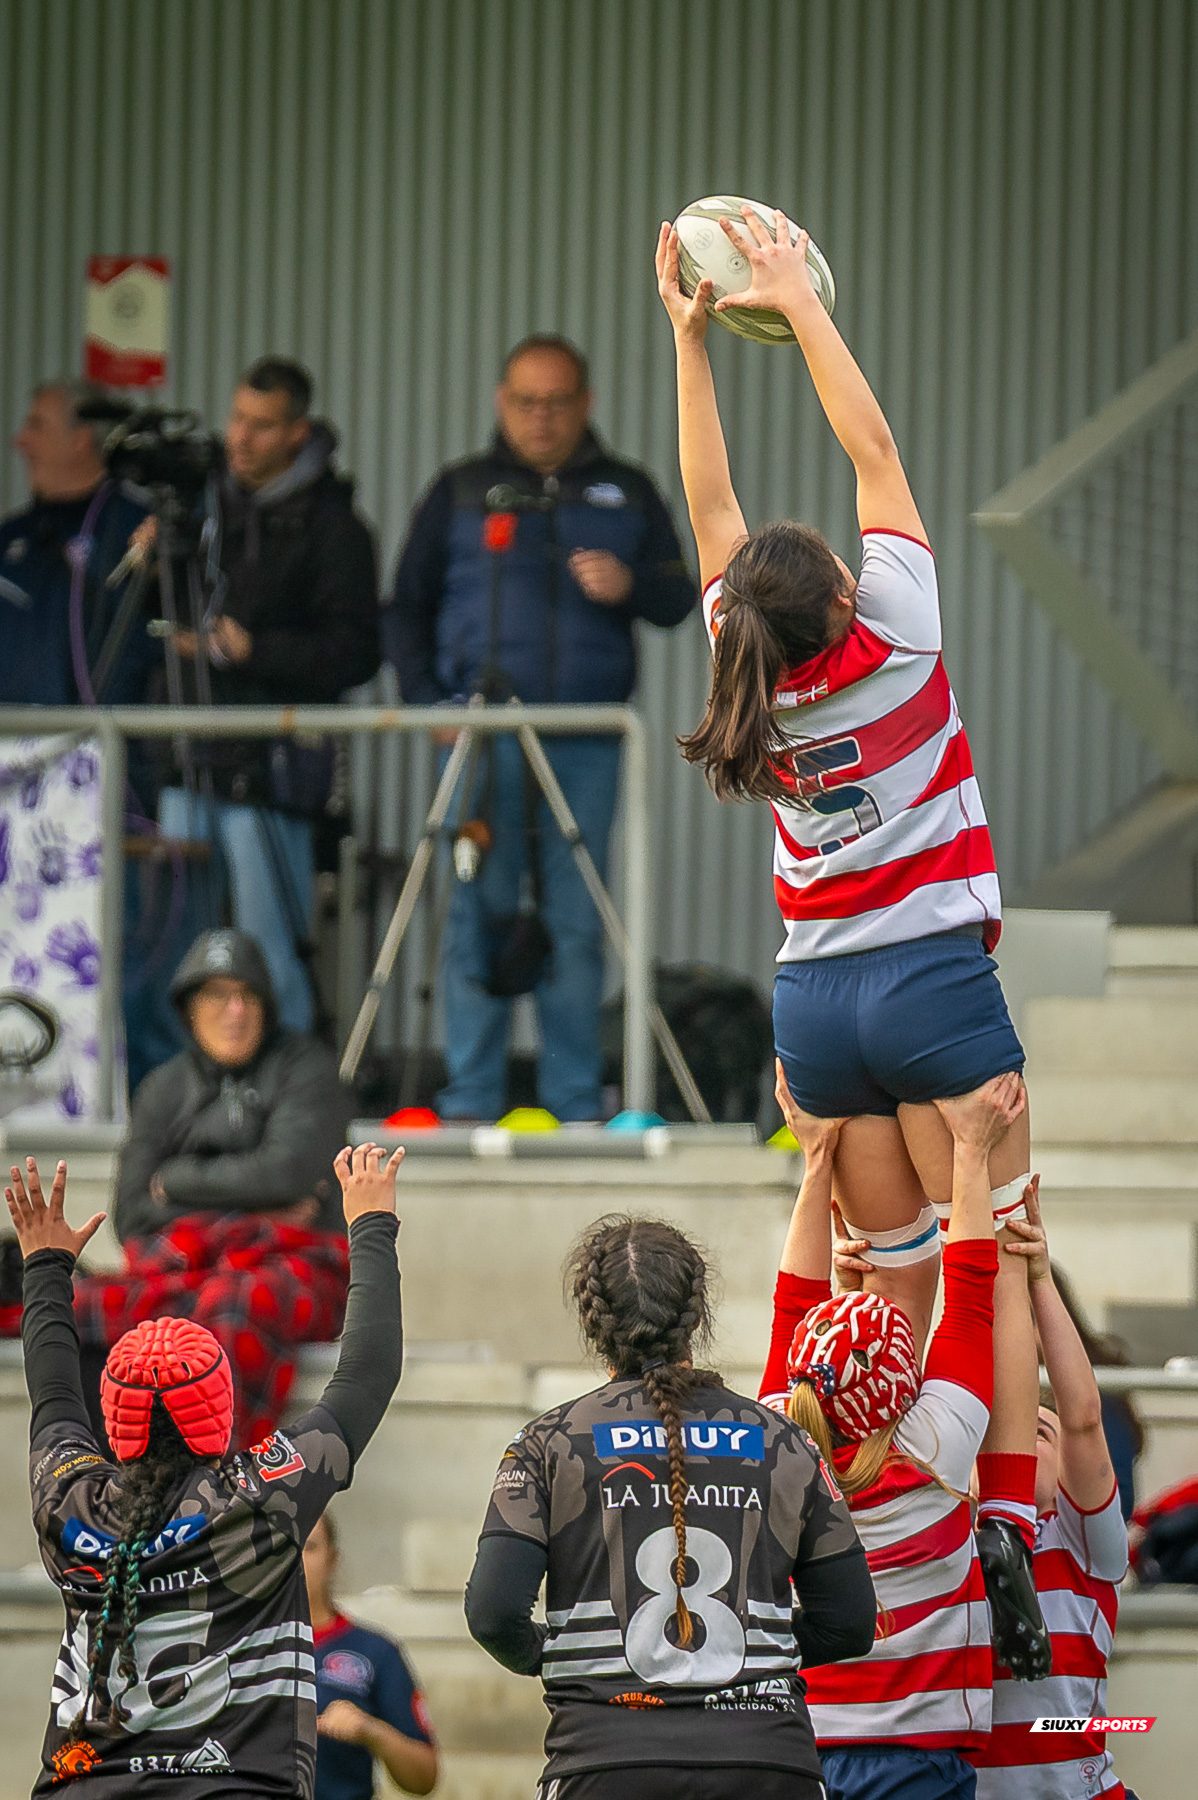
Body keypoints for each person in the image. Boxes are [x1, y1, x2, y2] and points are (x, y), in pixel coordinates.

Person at [655, 211, 1044, 1603]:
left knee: (887, 1295)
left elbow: (708, 506)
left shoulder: (741, 673)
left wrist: (691, 341)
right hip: (932, 984)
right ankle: (1003, 1526)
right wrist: (795, 303)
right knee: (999, 1266)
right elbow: (871, 449)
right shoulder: (896, 632)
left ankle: (840, 1537)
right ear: (839, 588)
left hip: (815, 1006)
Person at [8, 1138, 403, 1796]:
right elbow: (368, 1373)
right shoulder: (262, 1496)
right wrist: (371, 1224)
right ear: (221, 1414)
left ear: (116, 1424)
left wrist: (45, 1267)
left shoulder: (69, 1501)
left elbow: (52, 1393)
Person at [385, 334, 697, 1123]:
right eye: (526, 401)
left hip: (587, 740)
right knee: (474, 913)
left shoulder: (626, 490)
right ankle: (470, 1100)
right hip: (479, 739)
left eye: (557, 402)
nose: (541, 417)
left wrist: (629, 585)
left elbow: (680, 595)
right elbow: (404, 608)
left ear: (586, 404)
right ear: (501, 402)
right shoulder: (461, 490)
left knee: (577, 920)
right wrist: (429, 705)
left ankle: (574, 1102)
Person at [465, 1212, 877, 1799]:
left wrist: (563, 1658)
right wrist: (744, 1650)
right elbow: (851, 1622)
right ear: (696, 1316)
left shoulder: (547, 1443)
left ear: (592, 1321)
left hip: (605, 1763)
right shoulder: (786, 1442)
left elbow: (493, 1612)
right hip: (768, 1764)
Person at [760, 1070, 1029, 1800]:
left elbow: (794, 1306)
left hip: (801, 1749)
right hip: (919, 1758)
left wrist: (817, 1163)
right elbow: (969, 1300)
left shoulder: (778, 1447)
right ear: (905, 1389)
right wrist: (970, 1152)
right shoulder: (930, 1452)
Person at [149, 355, 380, 1037]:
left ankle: (286, 1089)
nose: (241, 439)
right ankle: (177, 1088)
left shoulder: (335, 528)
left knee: (269, 953)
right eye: (237, 420)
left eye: (262, 426)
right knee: (173, 952)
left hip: (273, 776)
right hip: (188, 760)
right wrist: (152, 560)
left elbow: (357, 652)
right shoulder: (194, 515)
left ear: (298, 433)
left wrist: (255, 650)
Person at [71, 927, 353, 1447]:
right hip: (184, 1265)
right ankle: (111, 1469)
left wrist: (175, 1181)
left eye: (248, 996)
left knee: (233, 1307)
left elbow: (286, 1173)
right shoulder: (163, 1087)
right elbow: (131, 1214)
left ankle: (215, 1472)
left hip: (292, 1263)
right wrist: (257, 1212)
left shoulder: (306, 1069)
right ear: (189, 1007)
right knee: (78, 1309)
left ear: (267, 1006)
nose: (235, 1011)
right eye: (218, 995)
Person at [970, 1180, 1137, 1800]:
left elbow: (1084, 1416)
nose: (1011, 1442)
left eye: (1037, 1432)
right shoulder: (954, 1538)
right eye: (994, 1434)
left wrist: (1038, 1278)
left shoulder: (1084, 1545)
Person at [0, 379, 154, 711]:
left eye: (37, 426)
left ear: (80, 440)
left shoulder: (139, 532)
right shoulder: (10, 537)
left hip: (105, 737)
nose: (20, 441)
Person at [304, 1509, 438, 1798]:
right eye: (285, 1547)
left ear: (332, 1559)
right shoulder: (240, 1645)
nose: (296, 1560)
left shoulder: (376, 1651)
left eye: (309, 1546)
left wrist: (371, 1731)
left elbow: (425, 1777)